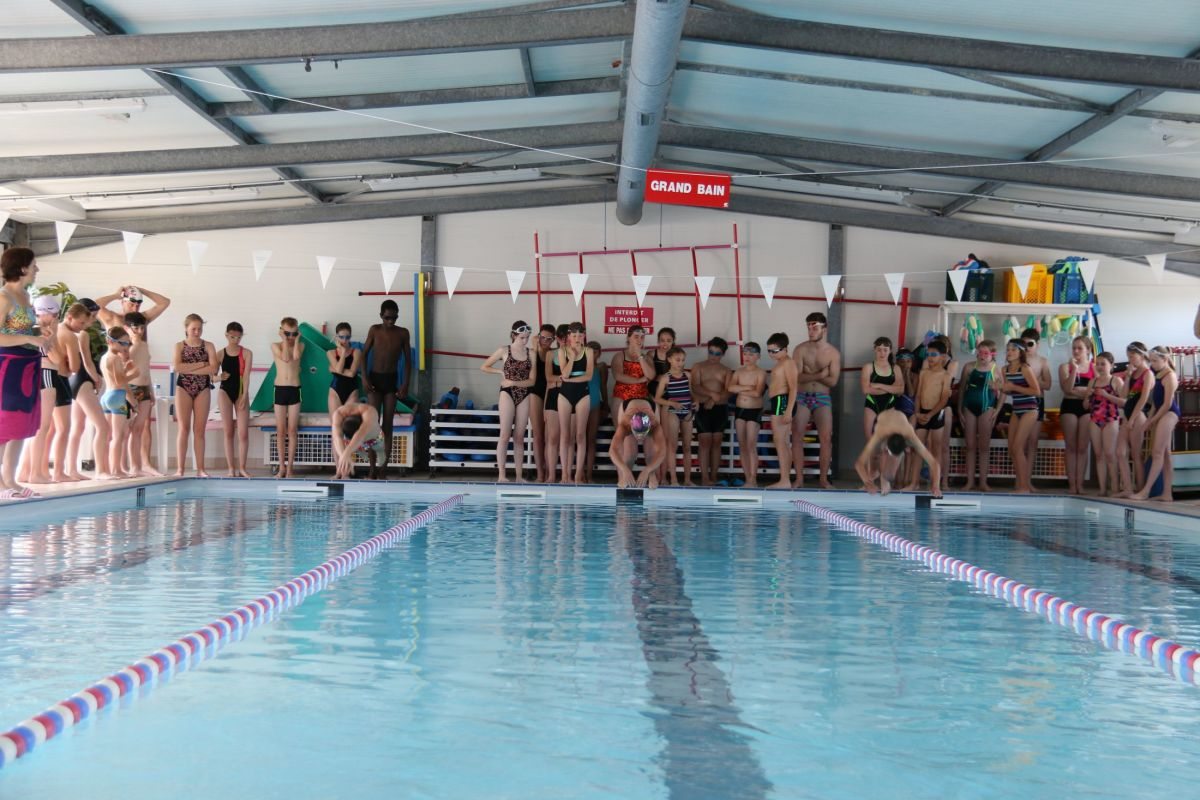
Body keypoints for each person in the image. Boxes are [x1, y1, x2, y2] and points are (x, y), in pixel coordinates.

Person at [1, 248, 53, 499]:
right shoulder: (4, 297)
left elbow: (20, 330)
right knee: (4, 425)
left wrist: (39, 335)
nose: (37, 269)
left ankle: (11, 480)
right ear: (22, 268)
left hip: (27, 366)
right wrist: (29, 338)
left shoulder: (24, 296)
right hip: (8, 368)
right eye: (34, 264)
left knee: (20, 426)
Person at [480, 320, 535, 483]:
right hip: (507, 394)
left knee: (519, 437)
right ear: (514, 335)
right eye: (522, 338)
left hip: (524, 393)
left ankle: (519, 476)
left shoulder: (531, 353)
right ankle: (502, 475)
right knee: (504, 435)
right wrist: (500, 371)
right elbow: (484, 366)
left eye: (527, 338)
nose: (525, 341)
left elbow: (532, 381)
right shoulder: (504, 350)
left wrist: (514, 382)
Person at [23, 295, 69, 485]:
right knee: (42, 428)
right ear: (49, 314)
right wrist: (55, 332)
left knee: (36, 428)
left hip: (34, 376)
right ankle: (36, 474)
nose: (57, 318)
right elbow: (57, 359)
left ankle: (25, 472)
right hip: (46, 376)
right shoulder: (44, 331)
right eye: (56, 315)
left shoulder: (30, 329)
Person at [791, 311, 841, 489]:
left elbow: (833, 381)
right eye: (809, 327)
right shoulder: (800, 349)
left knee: (826, 438)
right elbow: (797, 378)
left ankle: (823, 480)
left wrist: (809, 374)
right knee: (797, 436)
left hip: (822, 398)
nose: (811, 330)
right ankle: (799, 479)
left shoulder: (833, 353)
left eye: (815, 327)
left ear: (824, 329)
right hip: (802, 397)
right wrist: (820, 374)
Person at [362, 299, 411, 478]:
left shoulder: (403, 333)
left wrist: (405, 383)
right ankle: (372, 468)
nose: (391, 321)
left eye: (394, 317)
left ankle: (383, 469)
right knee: (372, 426)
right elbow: (363, 355)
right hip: (374, 380)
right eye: (388, 318)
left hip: (391, 382)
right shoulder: (374, 330)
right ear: (381, 316)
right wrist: (365, 378)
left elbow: (408, 362)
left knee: (387, 426)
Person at [854, 409, 942, 498]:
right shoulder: (880, 432)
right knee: (874, 463)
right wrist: (867, 483)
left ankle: (884, 478)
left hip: (900, 422)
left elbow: (934, 463)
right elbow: (859, 463)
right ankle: (880, 477)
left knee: (890, 468)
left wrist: (936, 486)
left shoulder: (910, 434)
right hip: (882, 420)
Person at [1131, 346, 1181, 502]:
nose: (1151, 364)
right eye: (1150, 360)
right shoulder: (1159, 374)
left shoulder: (1170, 376)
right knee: (1165, 455)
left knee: (1157, 452)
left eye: (1154, 361)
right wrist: (1149, 419)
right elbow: (1155, 403)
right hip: (1161, 414)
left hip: (1170, 414)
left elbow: (1166, 404)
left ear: (1165, 360)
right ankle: (1167, 494)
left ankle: (1145, 491)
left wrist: (1151, 421)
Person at [173, 314, 218, 477]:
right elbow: (178, 367)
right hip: (183, 387)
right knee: (183, 429)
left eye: (199, 329)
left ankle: (201, 469)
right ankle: (180, 469)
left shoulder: (208, 346)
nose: (197, 332)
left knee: (199, 430)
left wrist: (189, 368)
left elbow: (213, 369)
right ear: (186, 328)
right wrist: (200, 364)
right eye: (193, 329)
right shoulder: (179, 346)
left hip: (202, 388)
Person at [906, 339, 952, 494]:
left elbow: (944, 399)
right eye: (928, 354)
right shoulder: (924, 373)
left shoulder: (946, 375)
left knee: (936, 449)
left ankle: (935, 485)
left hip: (937, 414)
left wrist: (930, 414)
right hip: (923, 413)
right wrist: (918, 413)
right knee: (918, 449)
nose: (930, 357)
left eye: (934, 354)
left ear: (943, 357)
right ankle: (914, 483)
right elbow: (918, 395)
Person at [59, 302, 98, 481]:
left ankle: (71, 468)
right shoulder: (80, 335)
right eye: (92, 315)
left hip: (74, 380)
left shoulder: (75, 333)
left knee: (75, 427)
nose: (93, 319)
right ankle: (103, 469)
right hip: (81, 380)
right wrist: (97, 380)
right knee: (102, 427)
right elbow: (85, 362)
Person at [957, 340, 1000, 492]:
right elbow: (961, 389)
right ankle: (969, 482)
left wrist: (997, 410)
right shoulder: (969, 367)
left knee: (984, 447)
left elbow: (1004, 392)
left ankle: (983, 482)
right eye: (979, 353)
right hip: (969, 407)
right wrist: (959, 410)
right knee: (969, 446)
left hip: (987, 408)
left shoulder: (996, 370)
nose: (982, 356)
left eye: (985, 353)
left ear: (993, 355)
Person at [1000, 339, 1041, 494]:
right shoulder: (1004, 370)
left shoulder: (1025, 368)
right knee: (1012, 449)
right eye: (1008, 349)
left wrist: (1013, 387)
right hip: (1017, 409)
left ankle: (1024, 487)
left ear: (1021, 352)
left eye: (1013, 350)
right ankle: (1020, 484)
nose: (1009, 352)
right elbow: (1010, 392)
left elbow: (1036, 392)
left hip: (1030, 409)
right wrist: (1000, 388)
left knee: (1018, 448)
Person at [610, 325, 654, 470]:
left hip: (642, 400)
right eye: (636, 336)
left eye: (642, 337)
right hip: (622, 398)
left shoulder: (647, 357)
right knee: (624, 440)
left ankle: (636, 475)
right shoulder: (619, 356)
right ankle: (622, 476)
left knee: (643, 442)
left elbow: (651, 375)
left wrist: (640, 356)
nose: (639, 339)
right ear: (628, 337)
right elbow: (618, 376)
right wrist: (639, 380)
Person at [555, 322, 594, 485]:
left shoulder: (589, 351)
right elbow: (564, 373)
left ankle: (578, 474)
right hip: (565, 395)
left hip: (582, 394)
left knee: (580, 435)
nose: (577, 339)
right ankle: (565, 474)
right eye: (574, 336)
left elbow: (589, 376)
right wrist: (571, 357)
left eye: (580, 335)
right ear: (569, 337)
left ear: (583, 336)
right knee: (565, 436)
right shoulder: (562, 351)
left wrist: (570, 379)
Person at [691, 337, 732, 486]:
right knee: (704, 442)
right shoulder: (698, 367)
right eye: (711, 352)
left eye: (717, 353)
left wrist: (714, 400)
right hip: (702, 408)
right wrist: (711, 394)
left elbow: (728, 392)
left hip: (720, 408)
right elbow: (695, 386)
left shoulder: (726, 370)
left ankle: (713, 476)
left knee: (717, 443)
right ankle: (704, 477)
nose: (713, 356)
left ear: (723, 354)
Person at [124, 311, 160, 477]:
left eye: (142, 328)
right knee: (128, 430)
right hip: (132, 390)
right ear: (127, 328)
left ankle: (137, 466)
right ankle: (129, 466)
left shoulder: (144, 346)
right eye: (135, 328)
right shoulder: (129, 349)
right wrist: (128, 394)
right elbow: (121, 373)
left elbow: (146, 370)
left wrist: (151, 391)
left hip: (144, 390)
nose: (139, 331)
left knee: (138, 429)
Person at [99, 326, 138, 480]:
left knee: (109, 436)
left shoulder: (105, 357)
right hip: (117, 397)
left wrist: (126, 369)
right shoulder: (115, 358)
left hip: (106, 396)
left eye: (127, 344)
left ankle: (109, 469)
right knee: (118, 436)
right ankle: (116, 470)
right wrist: (132, 400)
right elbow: (121, 382)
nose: (125, 347)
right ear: (110, 342)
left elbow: (114, 379)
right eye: (122, 344)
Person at [1058, 335, 1095, 495]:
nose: (1076, 351)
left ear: (1088, 350)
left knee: (1082, 447)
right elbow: (1067, 390)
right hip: (1069, 407)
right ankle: (1071, 484)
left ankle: (1080, 483)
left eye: (1080, 348)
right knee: (1071, 447)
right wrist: (1075, 371)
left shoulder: (1095, 368)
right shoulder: (1065, 367)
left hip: (1087, 408)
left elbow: (1095, 392)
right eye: (1074, 348)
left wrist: (1082, 393)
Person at [216, 321, 253, 478]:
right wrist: (219, 377)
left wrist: (244, 396)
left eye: (238, 337)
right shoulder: (220, 354)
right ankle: (231, 468)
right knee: (228, 431)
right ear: (226, 335)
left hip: (240, 393)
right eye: (232, 337)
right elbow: (210, 376)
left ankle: (242, 468)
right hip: (224, 392)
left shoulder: (246, 353)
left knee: (243, 433)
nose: (236, 340)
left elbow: (246, 376)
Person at [726, 341, 766, 488]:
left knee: (751, 445)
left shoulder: (761, 373)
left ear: (758, 356)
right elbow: (730, 387)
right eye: (746, 353)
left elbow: (757, 393)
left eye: (751, 354)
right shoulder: (738, 372)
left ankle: (753, 479)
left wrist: (739, 389)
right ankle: (747, 477)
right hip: (740, 411)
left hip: (754, 411)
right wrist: (747, 387)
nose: (747, 356)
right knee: (742, 445)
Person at [1116, 342, 1154, 497]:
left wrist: (1132, 419)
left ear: (1142, 355)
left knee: (1136, 454)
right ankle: (1128, 488)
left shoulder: (1148, 373)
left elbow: (1144, 398)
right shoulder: (1134, 372)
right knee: (1120, 452)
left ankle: (1140, 491)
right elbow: (1123, 395)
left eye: (1132, 356)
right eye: (1128, 356)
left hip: (1137, 417)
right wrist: (1129, 375)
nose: (1130, 359)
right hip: (1128, 416)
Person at [654, 346, 694, 486]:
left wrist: (697, 402)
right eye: (677, 360)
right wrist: (671, 403)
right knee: (672, 446)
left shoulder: (687, 375)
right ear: (669, 360)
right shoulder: (666, 378)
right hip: (673, 412)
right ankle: (674, 480)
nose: (680, 363)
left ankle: (688, 480)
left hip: (687, 411)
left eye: (683, 360)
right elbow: (657, 398)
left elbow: (691, 394)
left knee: (687, 447)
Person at [1085, 352, 1123, 497]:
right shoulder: (1092, 382)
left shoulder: (1116, 381)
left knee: (1109, 454)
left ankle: (1114, 488)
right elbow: (1085, 406)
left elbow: (1124, 402)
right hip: (1094, 419)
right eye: (1098, 364)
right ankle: (1102, 489)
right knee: (1099, 455)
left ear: (1111, 366)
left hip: (1110, 419)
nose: (1100, 367)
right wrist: (1088, 396)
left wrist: (1106, 395)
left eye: (1103, 364)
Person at [764, 333, 799, 489]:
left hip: (783, 402)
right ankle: (785, 480)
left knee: (781, 442)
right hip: (778, 402)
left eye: (775, 351)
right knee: (782, 442)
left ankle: (784, 480)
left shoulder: (788, 363)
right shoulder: (780, 362)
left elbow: (793, 388)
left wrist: (788, 411)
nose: (772, 354)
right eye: (769, 351)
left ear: (785, 348)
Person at [608, 398, 667, 489]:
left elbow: (661, 452)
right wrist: (625, 470)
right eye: (637, 435)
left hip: (650, 406)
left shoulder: (654, 425)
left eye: (643, 435)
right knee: (629, 454)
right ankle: (623, 480)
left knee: (650, 454)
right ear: (631, 428)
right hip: (628, 406)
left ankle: (652, 476)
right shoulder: (625, 424)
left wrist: (648, 471)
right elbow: (613, 450)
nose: (640, 439)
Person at [272, 316, 305, 479]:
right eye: (287, 334)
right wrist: (284, 340)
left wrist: (295, 340)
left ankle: (290, 468)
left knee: (292, 430)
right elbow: (285, 358)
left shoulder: (301, 346)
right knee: (280, 431)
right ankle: (281, 468)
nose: (291, 337)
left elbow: (295, 357)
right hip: (279, 389)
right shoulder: (275, 345)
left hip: (294, 390)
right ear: (281, 332)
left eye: (294, 334)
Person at [1020, 328, 1052, 482]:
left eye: (1030, 344)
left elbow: (1048, 384)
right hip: (1021, 402)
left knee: (1033, 442)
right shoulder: (1016, 361)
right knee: (1021, 442)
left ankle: (1027, 480)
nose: (1027, 347)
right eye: (1023, 344)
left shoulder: (1043, 362)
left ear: (1037, 344)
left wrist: (1032, 379)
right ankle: (1019, 478)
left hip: (1037, 402)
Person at [861, 336, 902, 442]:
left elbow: (900, 390)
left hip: (889, 405)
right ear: (875, 349)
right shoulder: (868, 367)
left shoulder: (895, 368)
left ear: (890, 351)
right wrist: (890, 388)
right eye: (879, 350)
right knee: (869, 440)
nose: (882, 353)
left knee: (887, 441)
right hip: (872, 404)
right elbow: (865, 390)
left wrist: (879, 385)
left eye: (885, 350)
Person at [541, 323, 568, 483]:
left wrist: (557, 382)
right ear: (557, 339)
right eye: (562, 339)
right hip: (552, 396)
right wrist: (561, 380)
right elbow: (548, 379)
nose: (565, 342)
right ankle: (551, 475)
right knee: (552, 438)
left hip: (569, 396)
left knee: (567, 439)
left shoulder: (576, 355)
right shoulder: (551, 355)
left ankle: (566, 475)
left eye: (568, 339)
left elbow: (572, 379)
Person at [529, 324, 555, 483]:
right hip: (535, 393)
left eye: (549, 338)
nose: (545, 341)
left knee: (549, 436)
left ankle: (550, 473)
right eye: (542, 337)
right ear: (538, 337)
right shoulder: (533, 351)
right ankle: (540, 473)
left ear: (553, 340)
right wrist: (535, 345)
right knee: (538, 436)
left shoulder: (554, 353)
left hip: (551, 393)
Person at [331, 402, 383, 480]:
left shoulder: (370, 412)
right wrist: (343, 457)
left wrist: (346, 454)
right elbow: (337, 437)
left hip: (373, 432)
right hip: (359, 428)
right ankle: (342, 471)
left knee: (372, 438)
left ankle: (377, 472)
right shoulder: (338, 414)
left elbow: (360, 434)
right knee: (338, 439)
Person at [585, 340, 609, 482]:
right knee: (579, 440)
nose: (592, 354)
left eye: (595, 351)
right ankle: (579, 473)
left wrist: (606, 405)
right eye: (590, 351)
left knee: (591, 440)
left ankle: (589, 475)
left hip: (595, 404)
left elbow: (603, 387)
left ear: (599, 353)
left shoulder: (601, 367)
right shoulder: (580, 365)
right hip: (580, 404)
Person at [96, 285, 171, 329]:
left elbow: (165, 302)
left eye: (138, 305)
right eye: (131, 304)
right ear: (123, 302)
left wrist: (143, 291)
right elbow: (94, 305)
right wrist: (116, 295)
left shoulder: (143, 318)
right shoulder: (112, 318)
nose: (135, 309)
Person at [327, 322, 362, 414]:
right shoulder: (331, 353)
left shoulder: (356, 352)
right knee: (335, 424)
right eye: (341, 337)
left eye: (347, 337)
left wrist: (333, 369)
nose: (344, 340)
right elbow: (340, 370)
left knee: (349, 425)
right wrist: (343, 353)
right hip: (335, 391)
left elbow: (352, 374)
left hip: (352, 392)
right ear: (336, 337)